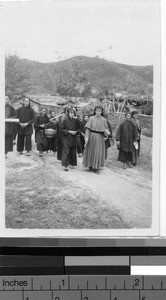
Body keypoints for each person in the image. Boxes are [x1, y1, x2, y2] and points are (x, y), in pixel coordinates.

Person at [83, 106, 110, 173]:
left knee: (98, 152)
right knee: (91, 151)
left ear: (101, 112)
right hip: (92, 137)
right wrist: (86, 137)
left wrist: (107, 132)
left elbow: (106, 129)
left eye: (100, 111)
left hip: (100, 137)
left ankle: (97, 167)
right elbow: (88, 129)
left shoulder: (104, 120)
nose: (98, 112)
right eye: (97, 111)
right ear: (95, 111)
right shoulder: (91, 118)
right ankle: (90, 165)